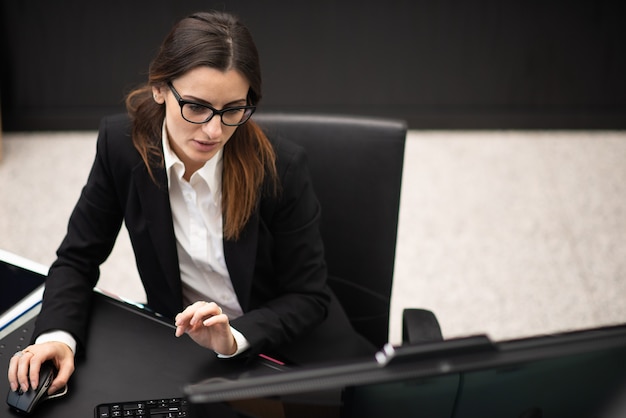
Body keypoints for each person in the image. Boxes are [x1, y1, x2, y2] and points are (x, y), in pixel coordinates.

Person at [7, 10, 374, 397]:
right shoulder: (120, 147)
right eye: (196, 106)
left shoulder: (280, 168)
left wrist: (233, 337)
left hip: (284, 347)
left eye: (233, 110)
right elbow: (77, 260)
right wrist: (57, 337)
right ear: (160, 88)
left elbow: (309, 297)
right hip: (187, 351)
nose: (214, 131)